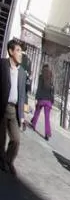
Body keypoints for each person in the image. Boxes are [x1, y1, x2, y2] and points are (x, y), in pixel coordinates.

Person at [0, 39, 28, 175]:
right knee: (1, 137)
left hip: (13, 109)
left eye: (21, 51)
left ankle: (8, 160)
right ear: (11, 52)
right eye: (18, 50)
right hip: (2, 106)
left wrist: (22, 117)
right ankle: (2, 161)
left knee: (16, 139)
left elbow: (22, 95)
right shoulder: (2, 65)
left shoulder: (22, 72)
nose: (21, 54)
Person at [30, 64, 55, 141]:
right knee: (47, 118)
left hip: (42, 98)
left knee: (37, 111)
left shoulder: (41, 76)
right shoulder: (51, 77)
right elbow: (52, 90)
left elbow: (39, 88)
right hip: (48, 100)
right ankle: (47, 133)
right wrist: (52, 101)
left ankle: (33, 124)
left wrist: (36, 98)